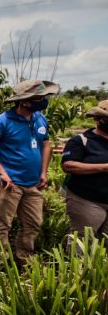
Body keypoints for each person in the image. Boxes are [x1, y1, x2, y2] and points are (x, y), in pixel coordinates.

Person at [0, 79, 60, 262]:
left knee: (33, 224)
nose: (44, 101)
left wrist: (43, 172)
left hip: (33, 183)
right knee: (2, 225)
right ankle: (0, 262)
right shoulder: (2, 122)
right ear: (25, 102)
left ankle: (24, 258)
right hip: (9, 184)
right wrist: (2, 172)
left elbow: (46, 144)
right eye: (40, 98)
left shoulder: (40, 118)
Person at [62, 99, 108, 239]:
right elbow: (68, 165)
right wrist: (104, 167)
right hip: (86, 199)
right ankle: (77, 262)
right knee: (82, 239)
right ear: (97, 119)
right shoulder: (81, 140)